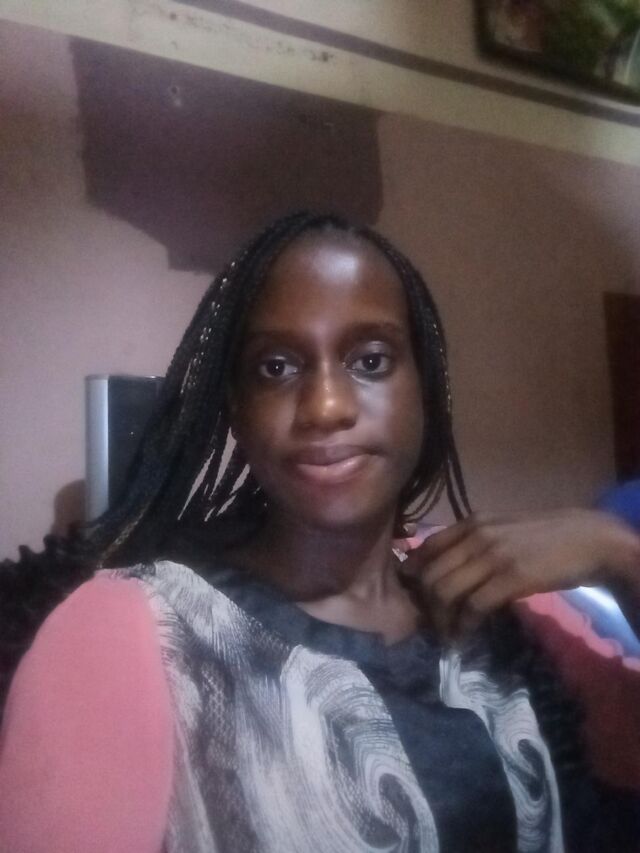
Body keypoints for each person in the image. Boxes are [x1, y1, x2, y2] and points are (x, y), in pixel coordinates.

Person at [0, 211, 639, 852]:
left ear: (426, 387)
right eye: (276, 368)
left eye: (371, 360)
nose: (326, 406)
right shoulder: (127, 628)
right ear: (236, 408)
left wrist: (622, 554)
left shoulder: (497, 591)